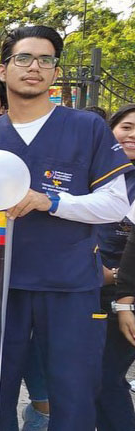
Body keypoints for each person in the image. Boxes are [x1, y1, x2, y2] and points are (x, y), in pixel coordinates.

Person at [0, 26, 133, 431]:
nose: (34, 67)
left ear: (55, 73)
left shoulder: (87, 127)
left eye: (46, 60)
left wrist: (50, 201)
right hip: (1, 286)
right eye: (24, 58)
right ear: (2, 69)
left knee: (73, 394)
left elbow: (115, 204)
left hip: (69, 284)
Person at [95, 104, 135, 431]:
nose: (133, 135)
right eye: (127, 127)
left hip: (124, 295)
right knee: (83, 378)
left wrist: (124, 288)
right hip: (84, 286)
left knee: (106, 377)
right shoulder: (92, 173)